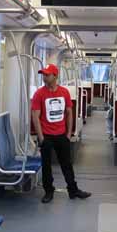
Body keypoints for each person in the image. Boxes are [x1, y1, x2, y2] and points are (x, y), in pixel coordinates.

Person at [31, 64, 91, 204]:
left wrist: (69, 133)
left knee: (66, 164)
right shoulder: (39, 94)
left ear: (55, 76)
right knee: (46, 165)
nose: (44, 77)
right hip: (46, 135)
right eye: (43, 75)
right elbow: (35, 116)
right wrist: (41, 138)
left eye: (47, 74)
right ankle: (48, 191)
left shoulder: (64, 92)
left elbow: (69, 113)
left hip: (61, 134)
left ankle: (73, 190)